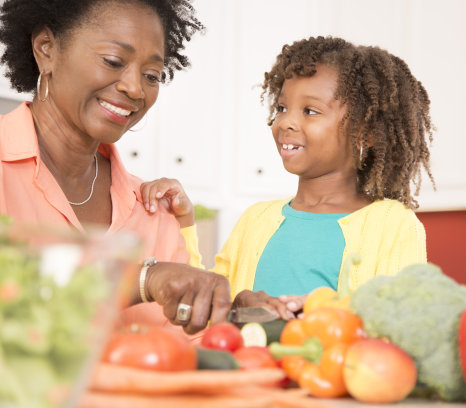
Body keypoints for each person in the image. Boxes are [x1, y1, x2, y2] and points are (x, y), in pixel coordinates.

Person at [145, 36, 435, 318]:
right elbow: (205, 305)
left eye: (310, 111)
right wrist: (184, 221)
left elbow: (402, 320)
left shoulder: (394, 224)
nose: (286, 122)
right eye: (282, 108)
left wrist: (320, 309)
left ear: (365, 132)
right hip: (252, 367)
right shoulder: (255, 220)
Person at [0, 0, 231, 335]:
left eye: (152, 75)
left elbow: (187, 347)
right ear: (46, 50)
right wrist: (138, 279)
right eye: (113, 61)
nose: (135, 88)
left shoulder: (154, 211)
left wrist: (232, 317)